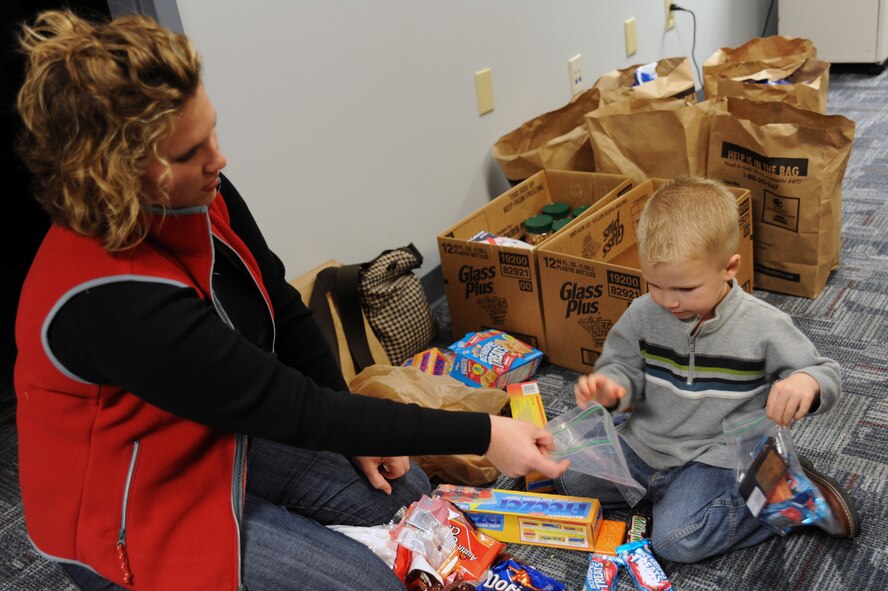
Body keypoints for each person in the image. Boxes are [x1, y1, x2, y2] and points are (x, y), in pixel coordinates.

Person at [13, 10, 568, 591]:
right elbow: (289, 407)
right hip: (131, 507)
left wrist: (359, 432)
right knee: (367, 584)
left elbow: (281, 303)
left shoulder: (205, 193)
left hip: (214, 432)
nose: (218, 160)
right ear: (116, 175)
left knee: (410, 500)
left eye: (212, 132)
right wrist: (484, 433)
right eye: (189, 152)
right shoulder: (113, 300)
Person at [557, 176, 860, 563]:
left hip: (717, 454)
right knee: (571, 479)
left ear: (729, 268)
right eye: (656, 285)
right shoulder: (641, 313)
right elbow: (621, 365)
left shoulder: (763, 324)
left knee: (674, 541)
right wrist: (611, 387)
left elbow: (824, 371)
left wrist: (806, 383)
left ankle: (777, 491)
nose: (668, 301)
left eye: (685, 289)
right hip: (648, 441)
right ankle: (677, 494)